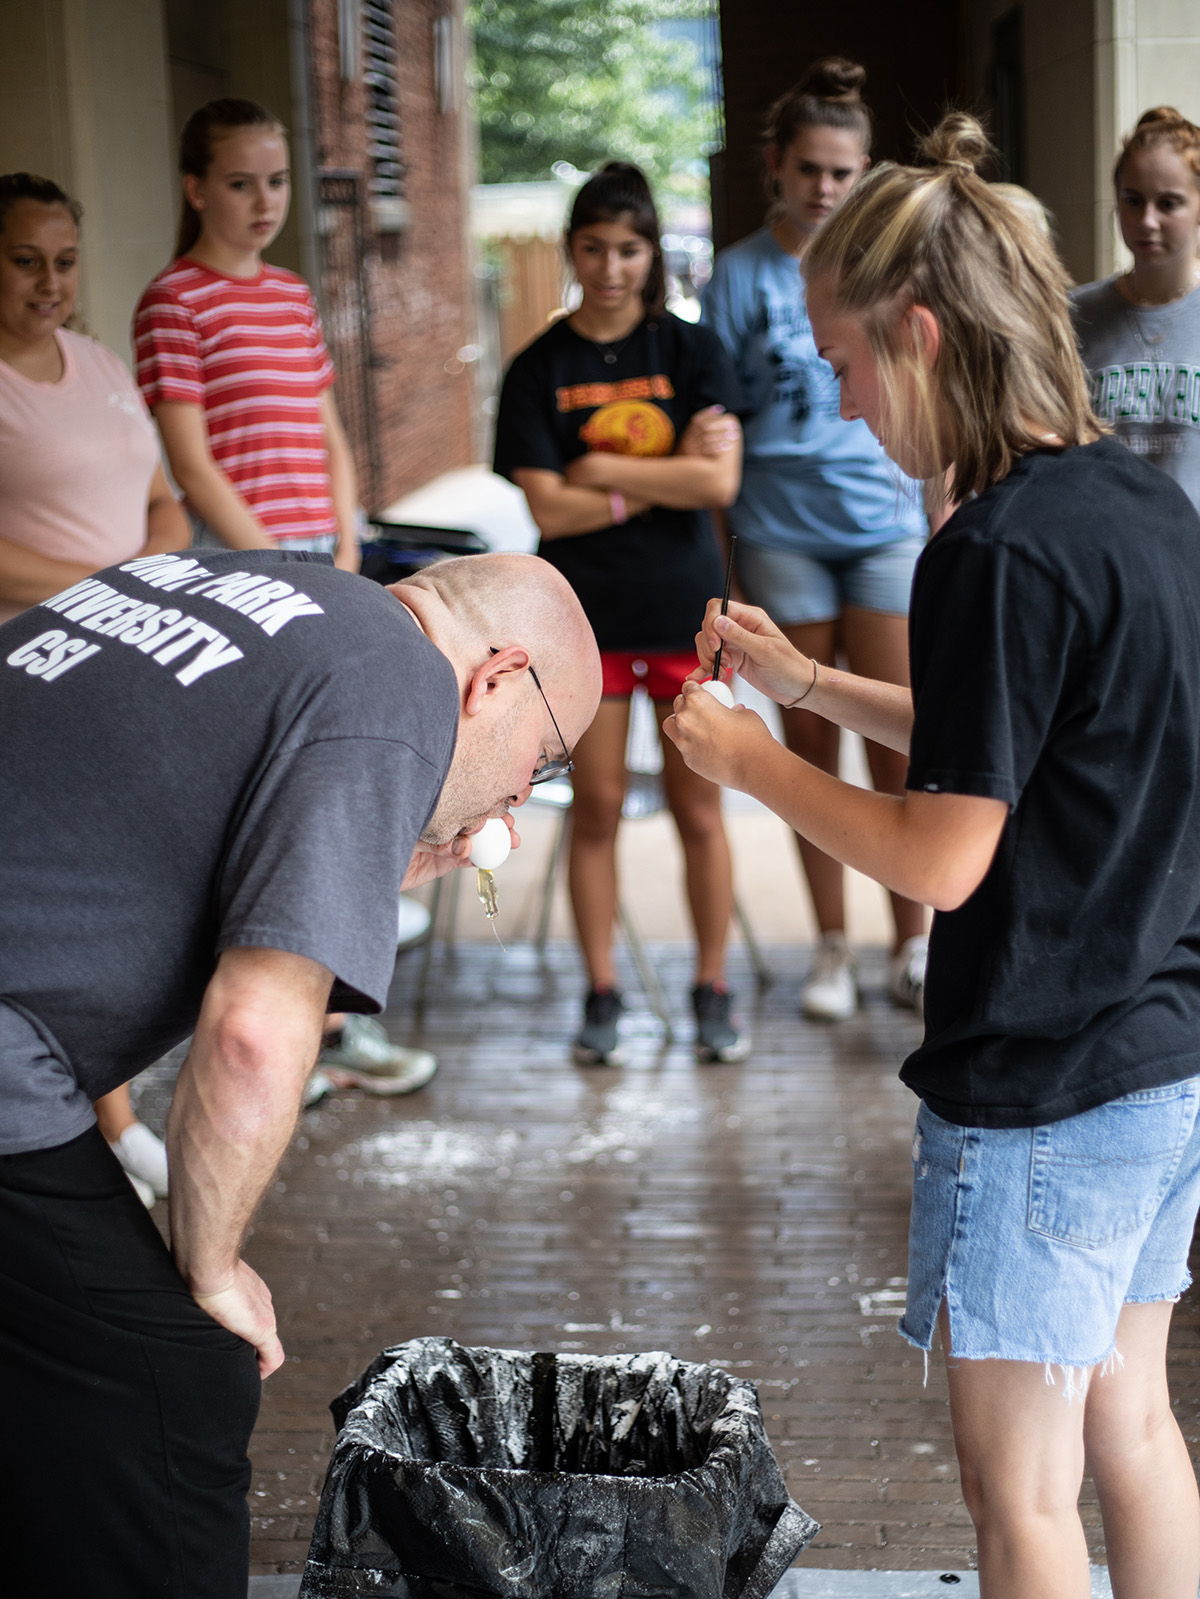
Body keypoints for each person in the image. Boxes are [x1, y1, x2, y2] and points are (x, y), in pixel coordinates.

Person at [667, 113, 1200, 1599]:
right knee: (1131, 1416)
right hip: (1166, 1053)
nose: (834, 401)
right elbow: (1011, 736)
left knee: (1018, 1491)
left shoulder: (985, 548)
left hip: (1041, 1083)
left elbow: (945, 851)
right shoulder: (1135, 504)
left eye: (838, 361)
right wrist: (810, 691)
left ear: (917, 331)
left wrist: (750, 766)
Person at [0, 545, 601, 1599]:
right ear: (495, 679)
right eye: (544, 763)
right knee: (174, 1370)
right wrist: (208, 1267)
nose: (523, 802)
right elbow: (251, 1032)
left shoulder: (271, 592)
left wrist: (387, 855)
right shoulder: (395, 693)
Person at [135, 97, 434, 1100]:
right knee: (254, 800)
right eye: (238, 182)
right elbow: (190, 460)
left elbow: (325, 431)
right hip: (245, 575)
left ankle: (333, 1027)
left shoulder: (291, 294)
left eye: (275, 180)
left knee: (330, 799)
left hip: (321, 562)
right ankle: (261, 1030)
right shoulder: (174, 299)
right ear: (194, 188)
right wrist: (273, 562)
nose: (263, 201)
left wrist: (345, 541)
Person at [493, 160, 749, 1066]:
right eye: (594, 247)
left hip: (687, 612)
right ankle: (602, 993)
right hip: (583, 619)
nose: (612, 266)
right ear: (572, 249)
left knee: (700, 813)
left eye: (629, 248)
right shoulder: (539, 368)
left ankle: (712, 988)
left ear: (652, 253)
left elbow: (718, 480)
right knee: (594, 808)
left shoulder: (691, 352)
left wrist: (602, 472)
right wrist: (655, 478)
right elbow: (548, 512)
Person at [701, 59, 928, 1023]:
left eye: (843, 172)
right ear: (776, 169)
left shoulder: (890, 268)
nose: (826, 189)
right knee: (806, 747)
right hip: (782, 532)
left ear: (866, 170)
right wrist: (722, 563)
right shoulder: (740, 278)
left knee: (902, 738)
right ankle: (830, 946)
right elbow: (718, 427)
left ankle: (912, 942)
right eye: (809, 170)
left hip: (883, 527)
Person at [0, 169, 190, 1203]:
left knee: (124, 891)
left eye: (64, 261)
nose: (50, 282)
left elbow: (161, 500)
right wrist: (96, 589)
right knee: (71, 902)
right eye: (25, 260)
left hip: (125, 657)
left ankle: (109, 1115)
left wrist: (139, 579)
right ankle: (110, 1126)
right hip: (29, 673)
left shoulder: (100, 362)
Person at [1073, 105, 1200, 515]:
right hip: (1105, 551)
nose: (1147, 220)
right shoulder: (1072, 316)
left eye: (1169, 204)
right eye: (1133, 200)